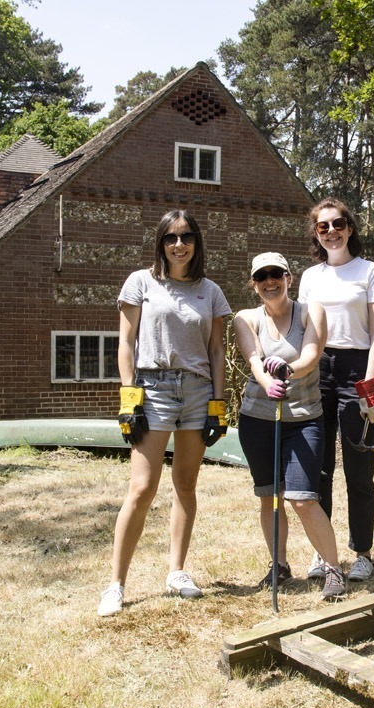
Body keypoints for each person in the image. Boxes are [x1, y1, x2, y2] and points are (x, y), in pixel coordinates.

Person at [98, 210, 232, 617]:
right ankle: (116, 584)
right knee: (141, 489)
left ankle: (176, 572)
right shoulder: (141, 282)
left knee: (186, 485)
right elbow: (125, 341)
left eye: (186, 236)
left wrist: (218, 404)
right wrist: (128, 396)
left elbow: (216, 350)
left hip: (197, 391)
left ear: (197, 242)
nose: (179, 244)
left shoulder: (210, 291)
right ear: (160, 242)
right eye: (171, 237)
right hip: (152, 389)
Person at [233, 252, 346, 600]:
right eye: (262, 277)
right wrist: (268, 382)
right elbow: (253, 359)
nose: (270, 282)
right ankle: (278, 565)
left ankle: (333, 570)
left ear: (289, 278)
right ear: (254, 284)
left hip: (303, 419)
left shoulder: (312, 311)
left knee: (302, 499)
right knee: (270, 498)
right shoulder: (245, 318)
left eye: (276, 274)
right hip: (258, 420)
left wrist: (287, 371)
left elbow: (312, 356)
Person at [298, 197, 374, 582]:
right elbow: (302, 332)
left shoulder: (369, 272)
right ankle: (323, 552)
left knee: (358, 464)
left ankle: (363, 552)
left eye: (338, 224)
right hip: (318, 369)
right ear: (316, 234)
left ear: (350, 228)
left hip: (358, 368)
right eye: (323, 227)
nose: (331, 232)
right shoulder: (309, 277)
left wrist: (370, 388)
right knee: (317, 468)